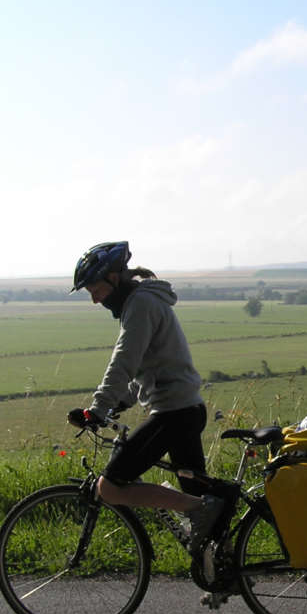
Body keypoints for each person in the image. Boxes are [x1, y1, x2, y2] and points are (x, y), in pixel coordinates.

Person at [66, 241, 224, 562]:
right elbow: (145, 368)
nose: (93, 298)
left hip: (173, 414)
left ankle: (202, 508)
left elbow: (124, 361)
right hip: (186, 409)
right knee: (206, 525)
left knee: (108, 487)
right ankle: (225, 570)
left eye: (94, 287)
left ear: (113, 277)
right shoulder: (142, 303)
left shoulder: (140, 305)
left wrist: (98, 409)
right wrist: (118, 403)